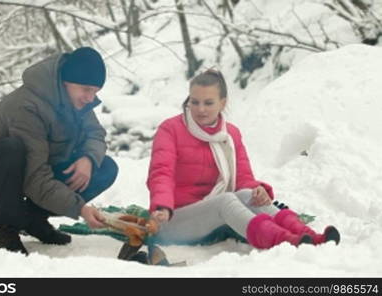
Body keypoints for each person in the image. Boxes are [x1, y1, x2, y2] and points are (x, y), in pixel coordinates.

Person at [146, 69, 340, 249]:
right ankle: (283, 241)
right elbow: (161, 173)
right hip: (173, 220)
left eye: (208, 103)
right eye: (195, 102)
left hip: (215, 214)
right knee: (226, 200)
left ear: (223, 103)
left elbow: (243, 177)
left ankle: (311, 237)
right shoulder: (170, 129)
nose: (201, 109)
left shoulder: (230, 134)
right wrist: (162, 206)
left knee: (249, 196)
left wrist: (258, 190)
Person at [0, 47, 117, 255]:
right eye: (85, 89)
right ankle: (6, 228)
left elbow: (95, 134)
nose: (90, 98)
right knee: (12, 149)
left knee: (106, 167)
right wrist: (80, 208)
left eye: (95, 91)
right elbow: (34, 177)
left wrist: (88, 159)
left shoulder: (76, 101)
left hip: (38, 165)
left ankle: (32, 220)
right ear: (66, 82)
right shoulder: (28, 105)